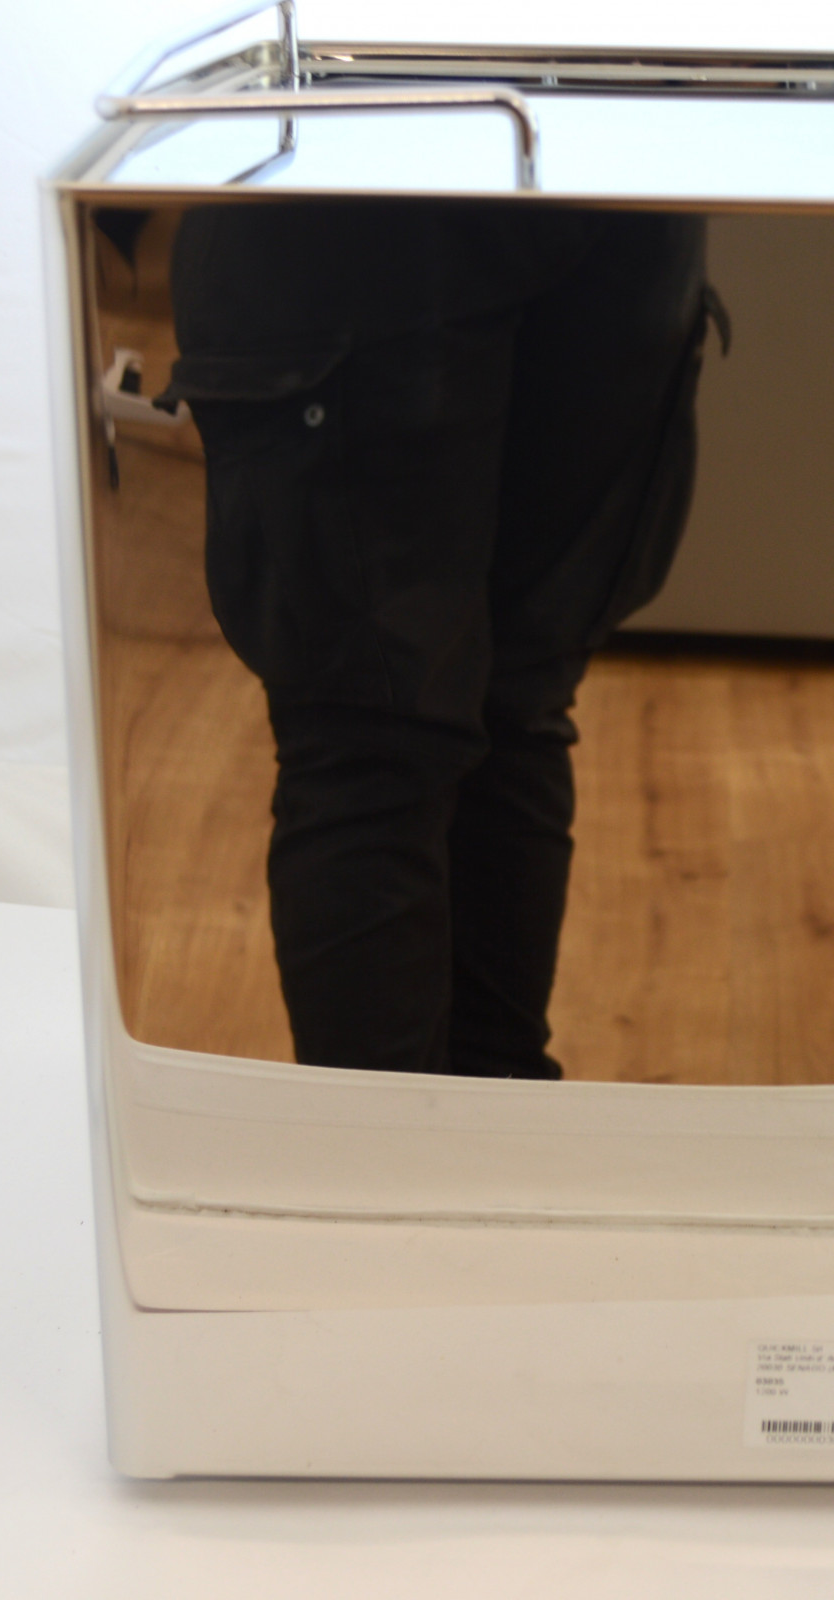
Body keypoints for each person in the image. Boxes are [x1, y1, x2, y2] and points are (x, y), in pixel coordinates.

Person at [160, 200, 718, 1080]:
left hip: (370, 189)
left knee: (383, 733)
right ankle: (463, 1135)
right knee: (486, 710)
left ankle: (414, 1150)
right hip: (603, 164)